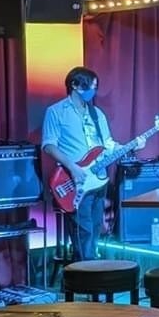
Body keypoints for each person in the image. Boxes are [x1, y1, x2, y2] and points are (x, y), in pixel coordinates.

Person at [41, 66, 144, 262]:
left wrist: (131, 146)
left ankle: (91, 268)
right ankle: (85, 271)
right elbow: (49, 145)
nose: (93, 91)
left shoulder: (96, 114)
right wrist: (73, 167)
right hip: (74, 180)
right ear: (74, 85)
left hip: (99, 180)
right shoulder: (56, 112)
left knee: (96, 226)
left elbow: (108, 144)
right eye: (90, 87)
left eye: (95, 87)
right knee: (83, 231)